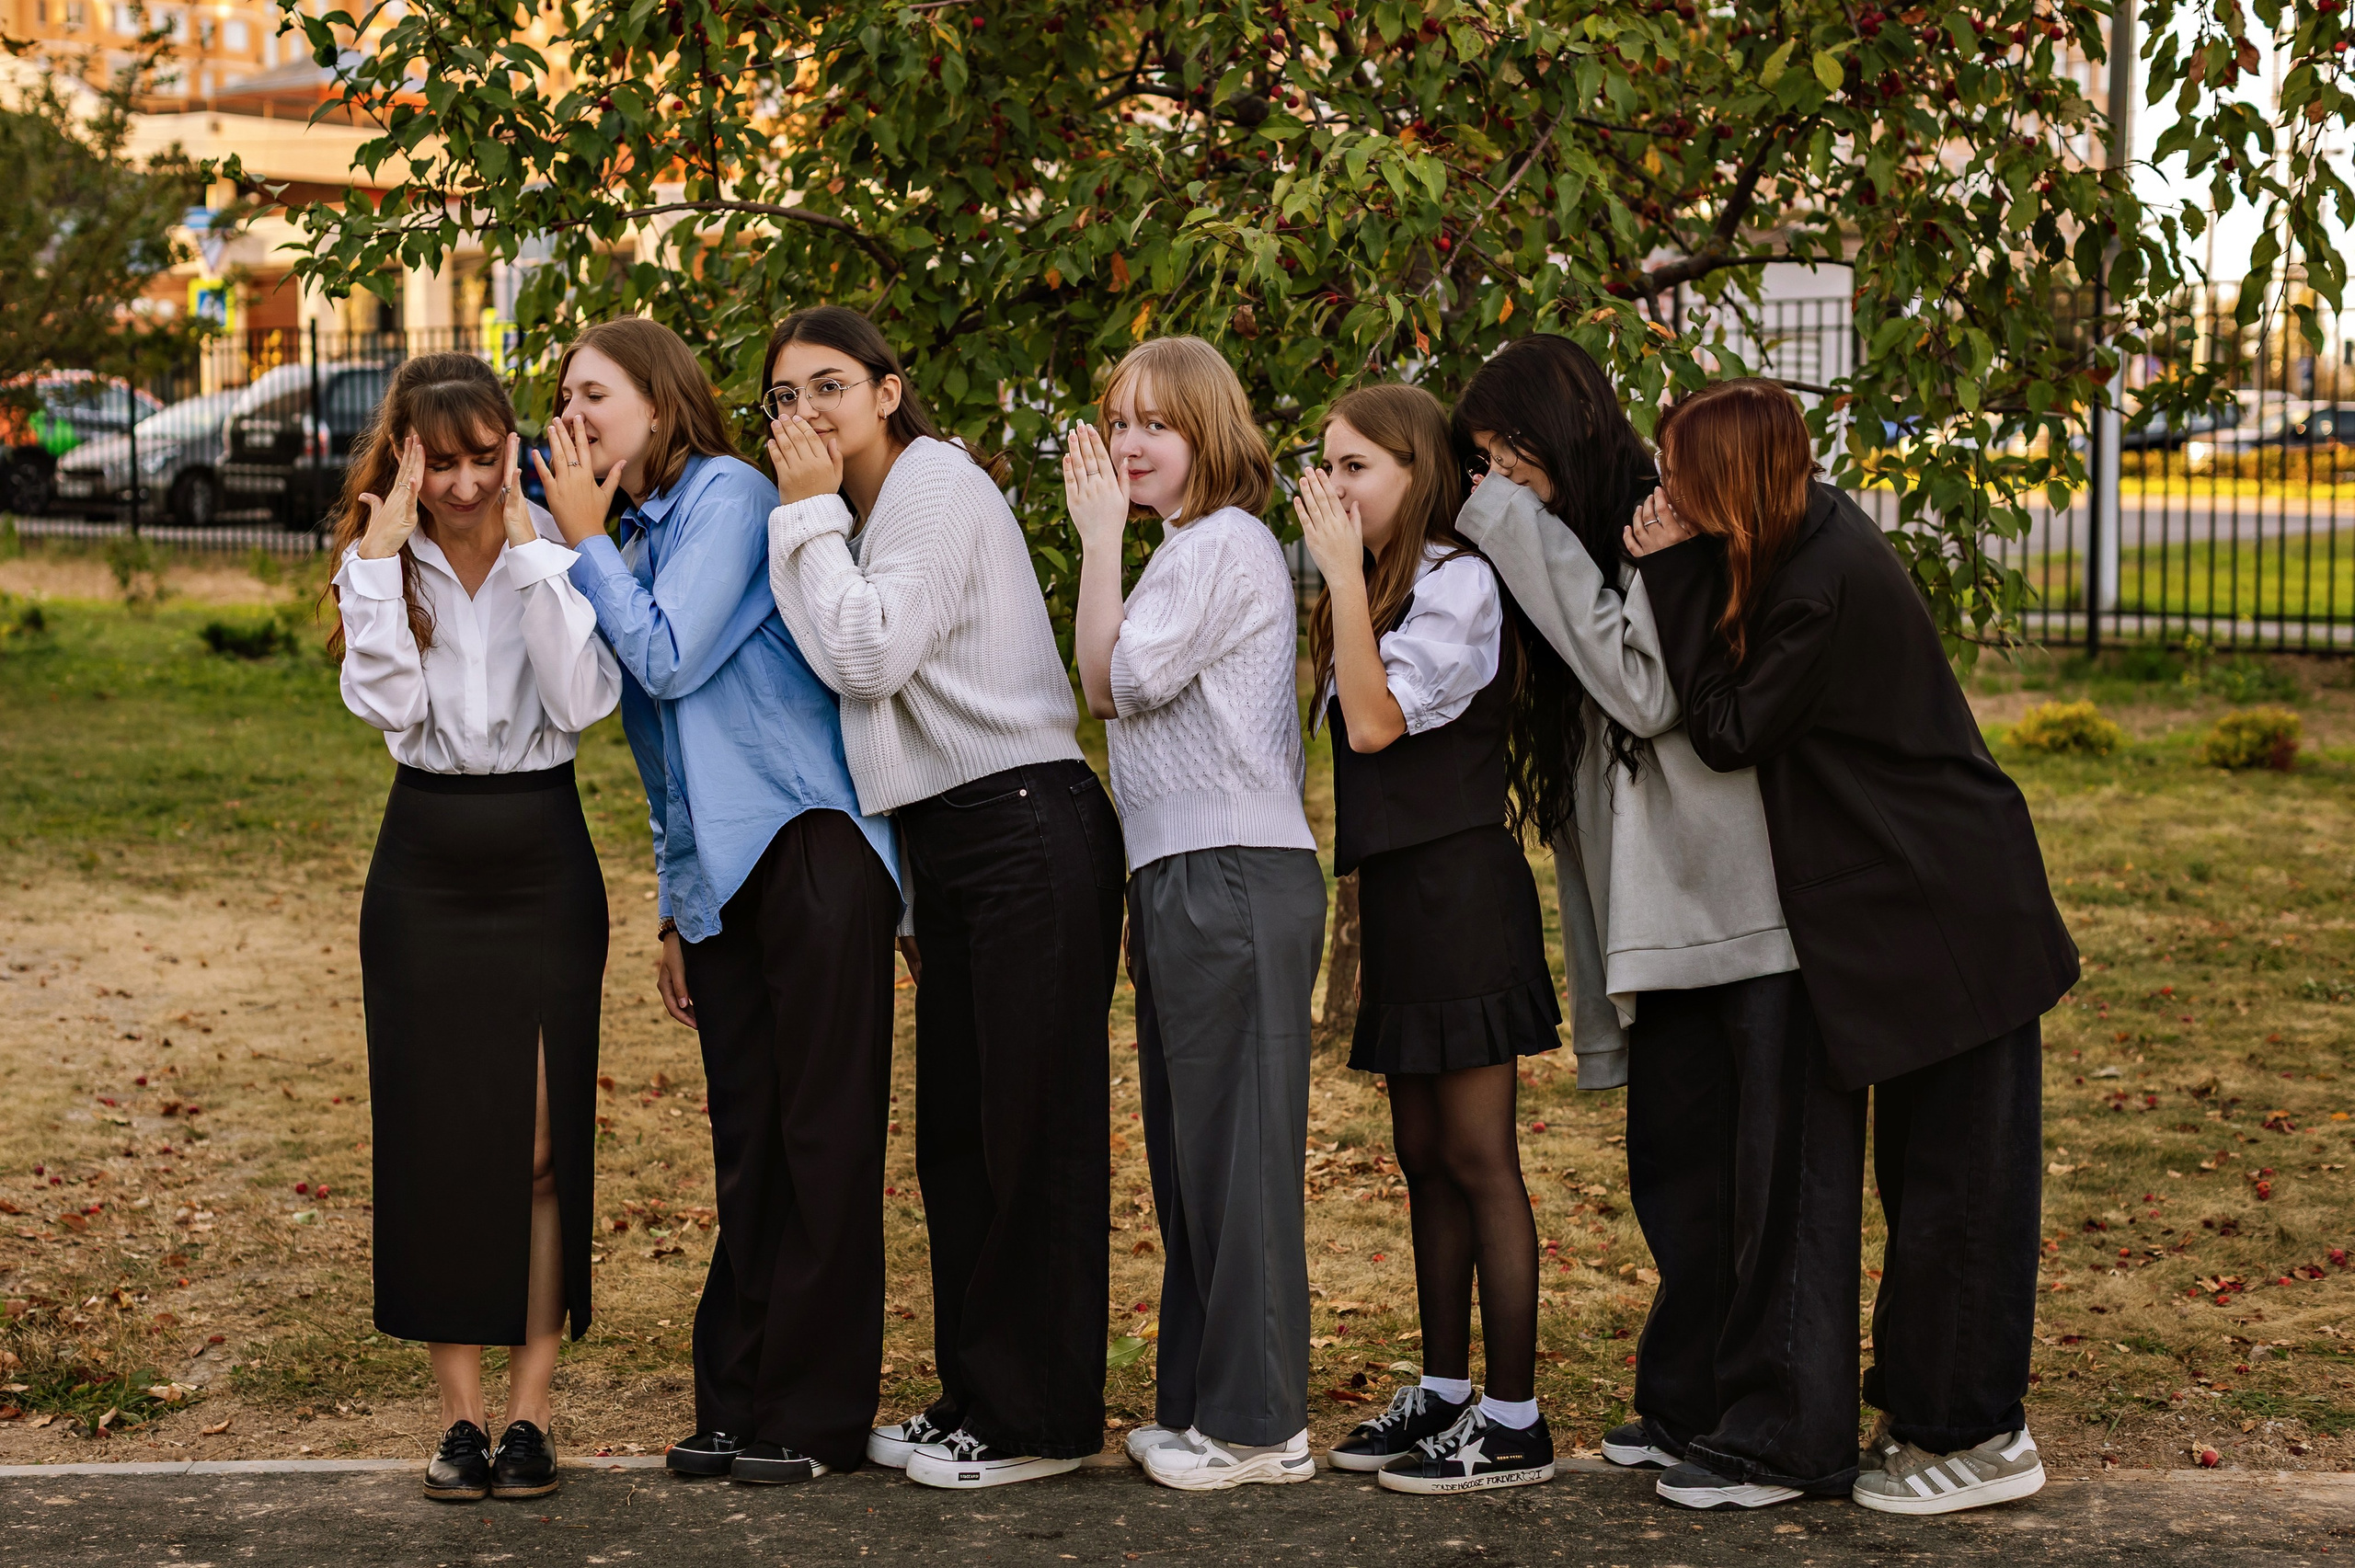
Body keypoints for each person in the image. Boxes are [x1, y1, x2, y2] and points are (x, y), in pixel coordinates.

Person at [1623, 378, 2076, 1516]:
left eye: (1679, 473)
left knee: (1957, 1190)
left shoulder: (1818, 579)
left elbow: (1726, 730)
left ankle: (1978, 1434)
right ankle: (1933, 1416)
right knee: (1927, 1179)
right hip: (1914, 910)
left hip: (1951, 914)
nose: (1661, 493)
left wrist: (1670, 570)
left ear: (1728, 481)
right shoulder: (1799, 542)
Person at [1449, 338, 1836, 1511]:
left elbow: (1645, 691)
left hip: (1735, 907)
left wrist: (1520, 537)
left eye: (1499, 455)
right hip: (1657, 919)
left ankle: (1775, 1423)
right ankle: (1687, 1398)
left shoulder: (1660, 523)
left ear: (1548, 434)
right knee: (1678, 1167)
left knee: (1761, 1177)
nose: (1492, 481)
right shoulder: (1593, 534)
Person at [763, 306, 1124, 1490]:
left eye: (828, 386)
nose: (805, 413)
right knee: (962, 1142)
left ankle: (1039, 1420)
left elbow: (868, 657)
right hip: (958, 840)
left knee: (1032, 1137)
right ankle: (978, 1393)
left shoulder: (931, 484)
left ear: (886, 388)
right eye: (782, 398)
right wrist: (916, 898)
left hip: (1026, 824)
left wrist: (803, 514)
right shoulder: (868, 513)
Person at [539, 317, 903, 1487]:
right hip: (726, 876)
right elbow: (663, 744)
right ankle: (742, 1402)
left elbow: (671, 659)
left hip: (812, 845)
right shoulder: (635, 528)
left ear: (658, 398)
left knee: (823, 1136)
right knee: (750, 1143)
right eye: (563, 397)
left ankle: (818, 1416)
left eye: (594, 393)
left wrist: (585, 539)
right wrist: (673, 901)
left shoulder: (733, 497)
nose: (574, 416)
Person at [331, 352, 620, 1504]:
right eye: (438, 462)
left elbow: (582, 700)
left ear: (514, 445)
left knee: (543, 1150)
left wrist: (538, 547)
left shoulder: (556, 546)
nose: (462, 484)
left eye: (482, 457)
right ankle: (458, 1419)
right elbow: (392, 709)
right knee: (438, 1146)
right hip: (425, 866)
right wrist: (377, 554)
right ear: (407, 456)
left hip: (541, 854)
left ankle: (531, 1413)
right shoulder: (381, 564)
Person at [1292, 383, 1573, 1495]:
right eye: (1328, 464)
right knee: (1421, 1161)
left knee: (1476, 1158)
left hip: (1461, 896)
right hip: (1402, 903)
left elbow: (1372, 722)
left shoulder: (1459, 585)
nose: (1336, 486)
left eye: (1357, 466)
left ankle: (1514, 1418)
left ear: (1418, 471)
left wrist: (1342, 582)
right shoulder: (1385, 585)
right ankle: (1448, 1394)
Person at [1063, 337, 1324, 1492]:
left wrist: (1099, 546)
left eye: (1154, 424)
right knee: (1190, 1158)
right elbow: (1105, 682)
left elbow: (1114, 681)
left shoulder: (1224, 545)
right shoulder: (1178, 550)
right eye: (1118, 421)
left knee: (1238, 1157)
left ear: (1207, 434)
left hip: (1233, 870)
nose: (1127, 443)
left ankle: (1262, 1427)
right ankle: (1203, 1404)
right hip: (1177, 870)